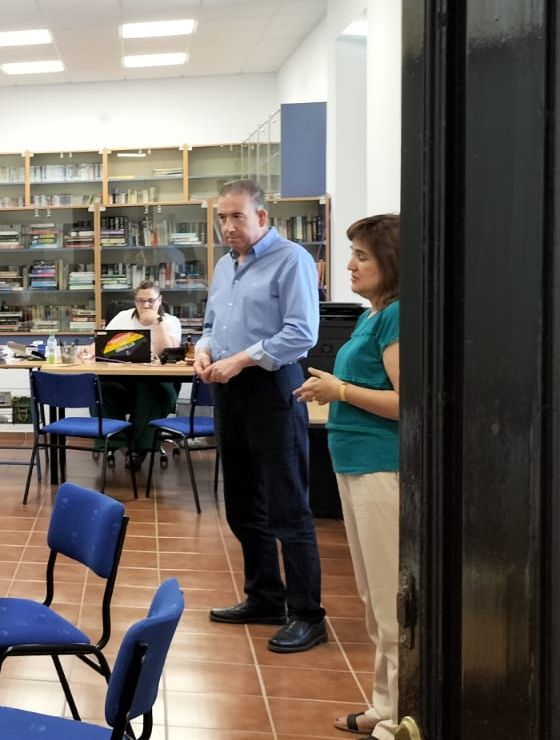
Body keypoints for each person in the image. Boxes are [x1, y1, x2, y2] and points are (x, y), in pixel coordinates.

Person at [195, 180, 324, 653]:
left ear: (262, 217)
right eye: (222, 218)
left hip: (271, 389)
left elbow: (301, 333)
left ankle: (307, 615)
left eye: (238, 216)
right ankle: (265, 597)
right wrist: (203, 348)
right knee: (243, 502)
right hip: (227, 390)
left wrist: (241, 359)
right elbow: (212, 324)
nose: (227, 226)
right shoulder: (224, 266)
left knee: (287, 506)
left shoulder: (292, 260)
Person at [293, 214, 401, 740]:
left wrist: (339, 391)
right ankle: (385, 704)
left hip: (381, 466)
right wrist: (334, 389)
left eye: (362, 256)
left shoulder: (397, 316)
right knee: (372, 598)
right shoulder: (372, 314)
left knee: (390, 600)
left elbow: (406, 402)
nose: (350, 265)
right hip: (355, 463)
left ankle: (401, 716)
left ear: (391, 263)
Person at [101, 282, 183, 469]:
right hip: (123, 381)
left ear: (159, 301)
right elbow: (104, 344)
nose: (146, 305)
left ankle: (139, 448)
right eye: (141, 300)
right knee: (100, 389)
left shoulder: (170, 321)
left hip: (157, 382)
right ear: (135, 301)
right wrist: (88, 349)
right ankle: (123, 445)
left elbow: (168, 352)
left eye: (151, 301)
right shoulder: (122, 317)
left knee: (151, 389)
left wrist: (157, 323)